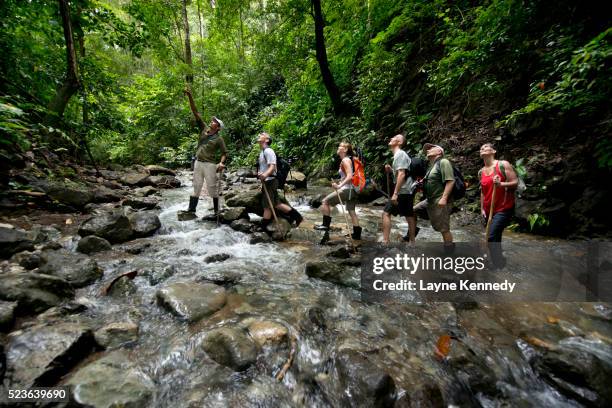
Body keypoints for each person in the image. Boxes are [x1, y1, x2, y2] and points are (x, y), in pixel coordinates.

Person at [184, 88, 227, 216]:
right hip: (198, 162)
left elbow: (225, 153)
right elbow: (195, 112)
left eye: (215, 122)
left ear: (218, 127)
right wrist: (190, 96)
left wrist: (221, 163)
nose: (212, 121)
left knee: (212, 188)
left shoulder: (219, 139)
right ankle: (191, 211)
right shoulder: (203, 129)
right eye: (213, 120)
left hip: (210, 165)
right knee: (196, 186)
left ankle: (216, 211)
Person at [479, 143, 518, 267]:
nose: (482, 149)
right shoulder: (481, 172)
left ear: (494, 151)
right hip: (488, 210)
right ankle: (499, 259)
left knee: (491, 237)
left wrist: (501, 184)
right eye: (481, 148)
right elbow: (482, 192)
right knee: (494, 238)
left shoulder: (502, 165)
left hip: (503, 208)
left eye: (486, 147)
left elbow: (515, 182)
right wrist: (481, 209)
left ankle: (499, 266)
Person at [314, 141, 362, 240]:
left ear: (345, 150)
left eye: (341, 146)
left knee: (325, 201)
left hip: (347, 190)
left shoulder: (345, 160)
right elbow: (348, 176)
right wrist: (340, 181)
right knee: (351, 211)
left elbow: (349, 176)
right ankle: (357, 234)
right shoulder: (349, 159)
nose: (338, 147)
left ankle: (325, 225)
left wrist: (339, 186)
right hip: (353, 189)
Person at [257, 133, 303, 232]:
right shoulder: (262, 152)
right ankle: (297, 216)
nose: (260, 135)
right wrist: (261, 175)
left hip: (270, 181)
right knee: (277, 204)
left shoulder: (269, 151)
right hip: (269, 181)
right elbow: (264, 167)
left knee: (267, 205)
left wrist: (264, 175)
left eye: (262, 134)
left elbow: (272, 167)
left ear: (267, 140)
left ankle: (263, 227)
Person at [414, 143, 455, 251]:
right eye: (427, 149)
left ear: (439, 152)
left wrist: (444, 198)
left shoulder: (444, 162)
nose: (428, 150)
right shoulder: (432, 166)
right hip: (430, 200)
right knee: (413, 211)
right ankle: (410, 237)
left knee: (444, 229)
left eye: (431, 148)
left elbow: (450, 181)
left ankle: (449, 254)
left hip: (440, 200)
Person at [382, 135, 417, 243]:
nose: (391, 138)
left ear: (399, 142)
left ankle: (385, 241)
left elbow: (402, 174)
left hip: (402, 191)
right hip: (408, 190)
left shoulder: (400, 154)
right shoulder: (400, 155)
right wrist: (391, 170)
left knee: (386, 214)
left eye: (395, 137)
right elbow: (400, 172)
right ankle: (412, 242)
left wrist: (395, 193)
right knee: (409, 215)